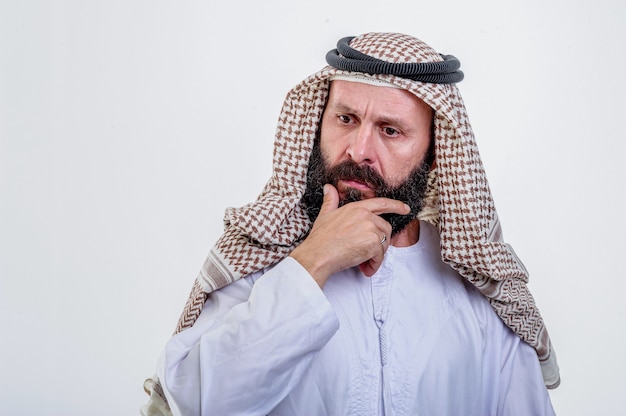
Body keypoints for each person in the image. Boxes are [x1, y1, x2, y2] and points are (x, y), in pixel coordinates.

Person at [142, 32, 560, 416]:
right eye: (346, 119)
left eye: (390, 130)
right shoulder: (260, 260)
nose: (359, 151)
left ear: (435, 155)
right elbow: (197, 404)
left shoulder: (482, 297)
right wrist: (313, 261)